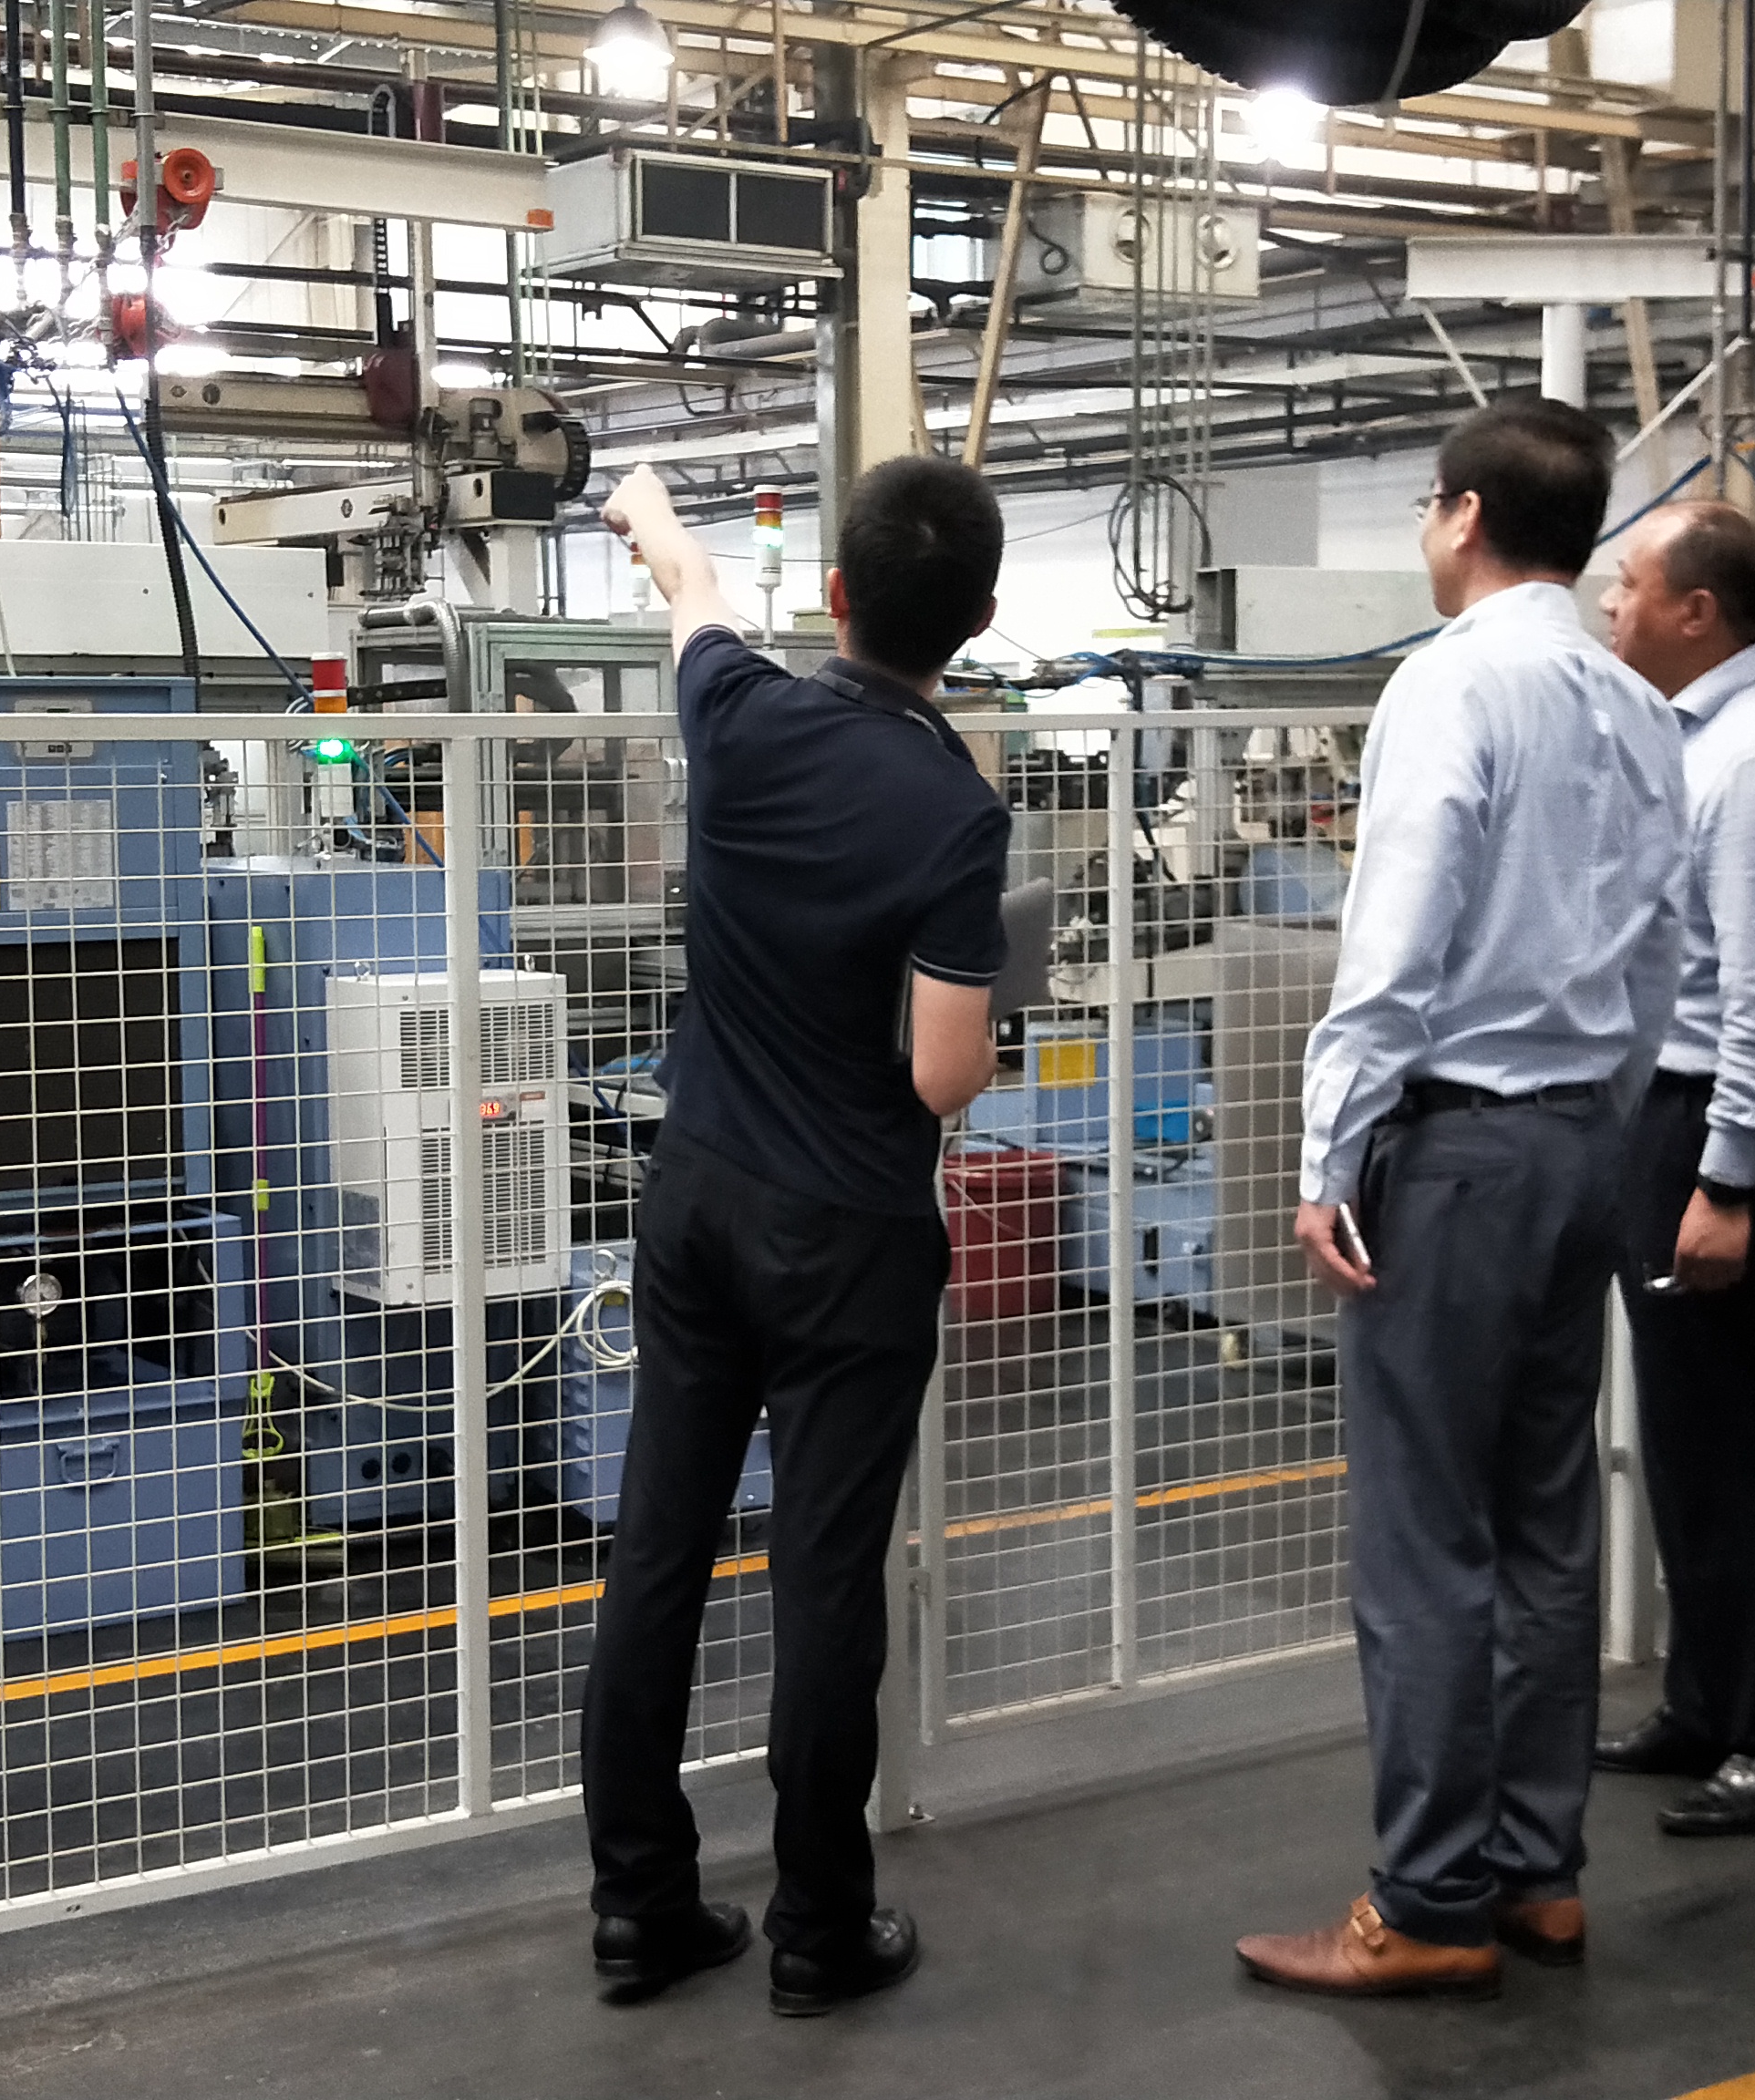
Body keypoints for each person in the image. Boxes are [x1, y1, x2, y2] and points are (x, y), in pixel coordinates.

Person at [1234, 399, 1687, 1999]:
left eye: (1427, 506)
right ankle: (1537, 1874)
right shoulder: (1638, 707)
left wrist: (1329, 1157)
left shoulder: (1449, 684)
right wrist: (1603, 1121)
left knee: (1425, 1536)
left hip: (1457, 1152)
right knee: (1547, 1523)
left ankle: (1428, 1903)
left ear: (1467, 514)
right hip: (1582, 1142)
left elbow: (1396, 943)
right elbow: (1660, 954)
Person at [579, 453, 1010, 2016]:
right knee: (826, 1578)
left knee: (659, 1549)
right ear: (976, 621)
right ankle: (821, 1929)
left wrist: (647, 508)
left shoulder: (739, 713)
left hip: (699, 1197)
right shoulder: (957, 809)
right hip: (850, 1233)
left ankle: (640, 1905)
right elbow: (944, 1073)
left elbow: (690, 590)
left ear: (834, 594)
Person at [1585, 499, 1755, 1839]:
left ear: (1697, 611)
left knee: (1731, 1444)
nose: (1610, 604)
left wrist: (1727, 1181)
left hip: (1714, 1125)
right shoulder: (1704, 736)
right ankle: (1706, 1703)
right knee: (1690, 1441)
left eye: (1629, 583)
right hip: (1678, 1114)